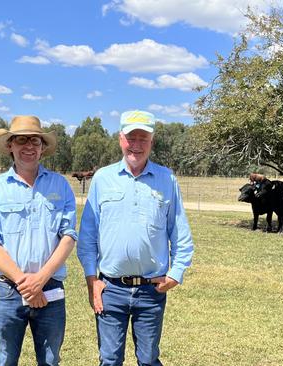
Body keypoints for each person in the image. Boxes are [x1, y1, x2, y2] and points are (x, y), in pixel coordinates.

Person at [77, 110, 194, 366]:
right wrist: (92, 280)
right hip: (110, 289)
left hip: (151, 291)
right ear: (121, 139)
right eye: (132, 137)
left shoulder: (167, 179)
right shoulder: (103, 179)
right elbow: (87, 236)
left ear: (152, 141)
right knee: (109, 360)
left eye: (143, 138)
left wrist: (175, 274)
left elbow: (180, 232)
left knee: (149, 359)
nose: (136, 145)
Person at [0, 115, 77, 366]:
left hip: (50, 289)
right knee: (5, 361)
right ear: (10, 145)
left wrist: (40, 280)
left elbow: (68, 236)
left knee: (50, 361)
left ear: (43, 147)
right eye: (21, 140)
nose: (29, 146)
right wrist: (26, 284)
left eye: (35, 140)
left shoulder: (60, 185)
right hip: (8, 291)